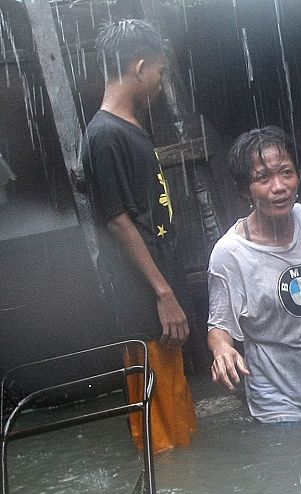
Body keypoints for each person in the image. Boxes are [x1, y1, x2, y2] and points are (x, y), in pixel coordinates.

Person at [80, 19, 196, 453]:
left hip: (158, 292)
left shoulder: (128, 127)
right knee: (159, 426)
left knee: (176, 404)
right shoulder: (105, 135)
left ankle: (190, 492)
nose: (161, 84)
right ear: (140, 66)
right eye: (161, 74)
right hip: (144, 298)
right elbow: (118, 221)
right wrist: (163, 294)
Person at [207, 126, 301, 424]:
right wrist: (223, 349)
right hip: (276, 391)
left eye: (286, 172)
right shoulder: (230, 253)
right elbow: (219, 327)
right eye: (263, 178)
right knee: (296, 462)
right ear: (244, 189)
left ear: (299, 175)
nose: (279, 186)